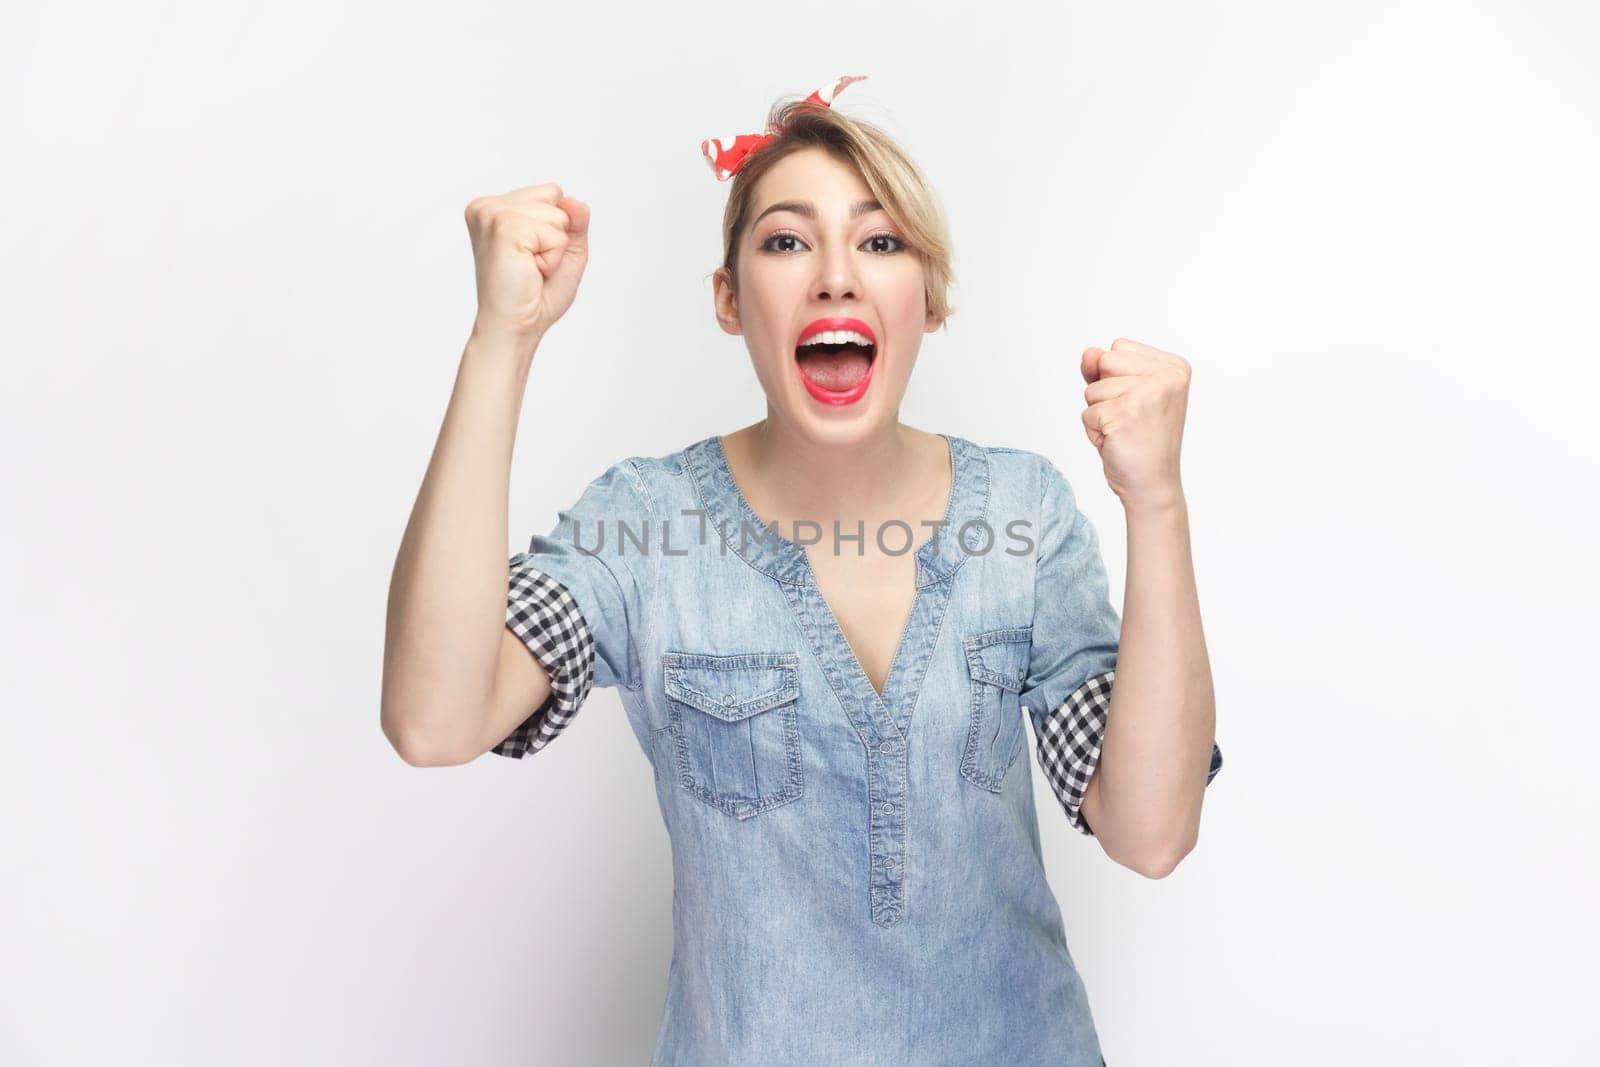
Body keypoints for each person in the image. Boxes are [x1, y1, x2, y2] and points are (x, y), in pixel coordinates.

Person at [382, 74, 1223, 1066]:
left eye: (878, 241)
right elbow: (435, 719)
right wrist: (502, 337)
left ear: (929, 300)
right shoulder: (646, 523)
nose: (835, 275)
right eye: (787, 239)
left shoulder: (1023, 514)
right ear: (730, 300)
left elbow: (1151, 830)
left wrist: (1155, 501)